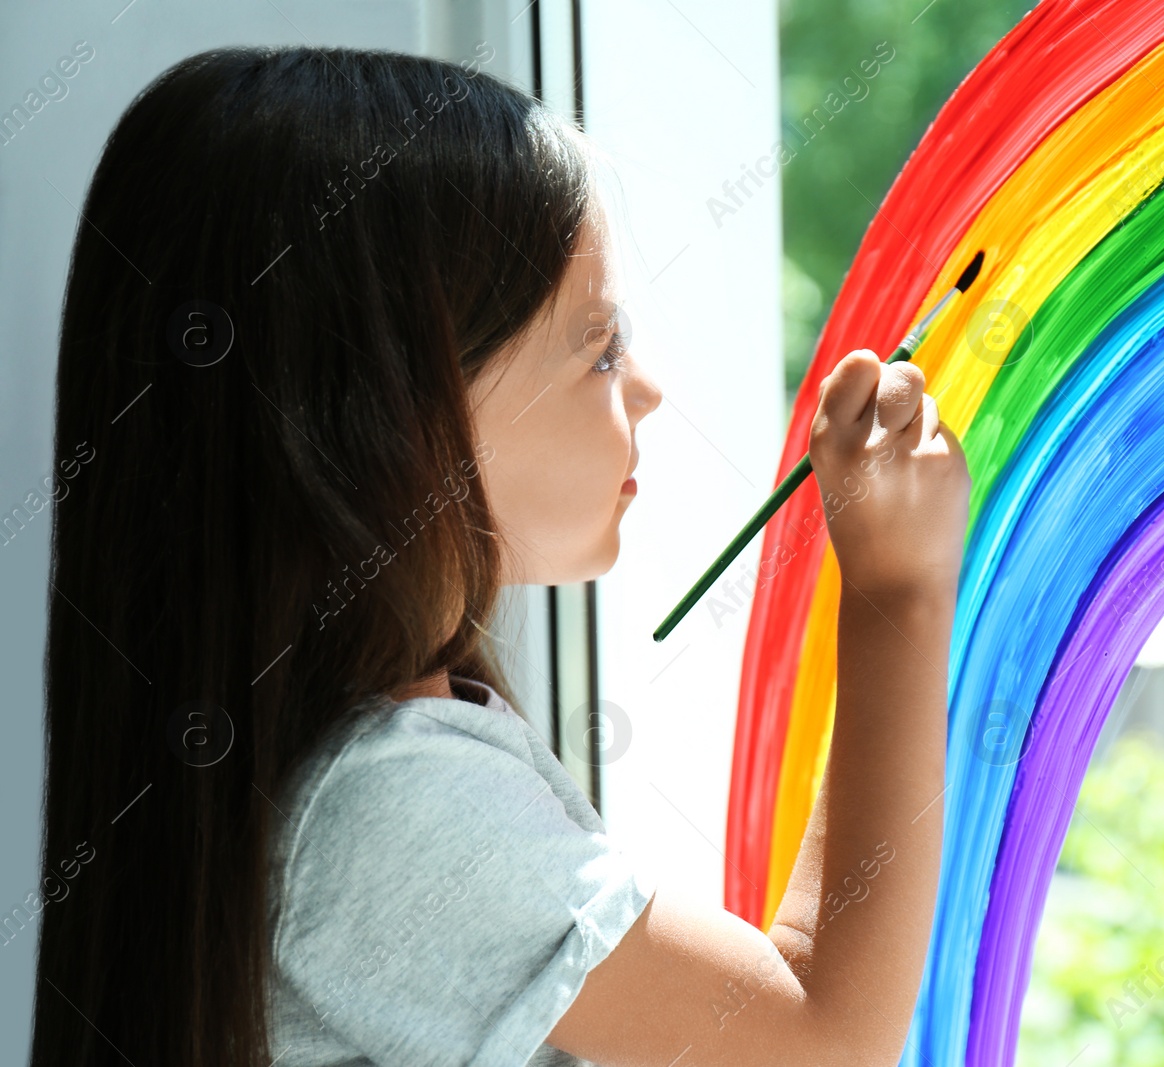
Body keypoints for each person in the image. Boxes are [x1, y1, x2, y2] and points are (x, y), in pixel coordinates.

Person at [29, 45, 969, 1067]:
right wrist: (898, 592)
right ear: (393, 419)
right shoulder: (391, 812)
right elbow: (819, 1044)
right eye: (597, 348)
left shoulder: (363, 751)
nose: (647, 386)